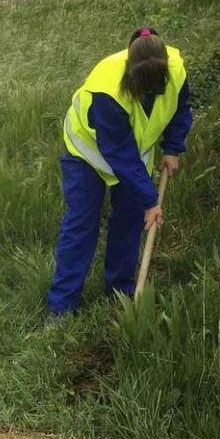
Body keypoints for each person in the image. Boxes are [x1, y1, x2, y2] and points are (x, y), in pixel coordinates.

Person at [47, 28, 193, 315]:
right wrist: (150, 200)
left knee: (127, 221)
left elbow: (179, 108)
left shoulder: (175, 69)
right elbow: (119, 153)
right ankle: (61, 307)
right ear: (131, 75)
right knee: (82, 223)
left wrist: (173, 148)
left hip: (132, 153)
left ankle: (119, 292)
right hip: (87, 153)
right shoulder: (107, 90)